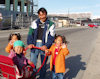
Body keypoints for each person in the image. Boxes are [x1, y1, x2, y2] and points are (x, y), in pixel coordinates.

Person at [27, 7, 55, 79]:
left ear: (46, 14)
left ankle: (42, 77)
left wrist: (46, 46)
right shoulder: (34, 23)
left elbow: (51, 37)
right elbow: (30, 34)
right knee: (32, 63)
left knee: (43, 64)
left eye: (43, 15)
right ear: (38, 15)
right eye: (40, 15)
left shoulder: (51, 24)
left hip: (44, 46)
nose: (42, 17)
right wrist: (30, 43)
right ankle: (32, 76)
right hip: (35, 44)